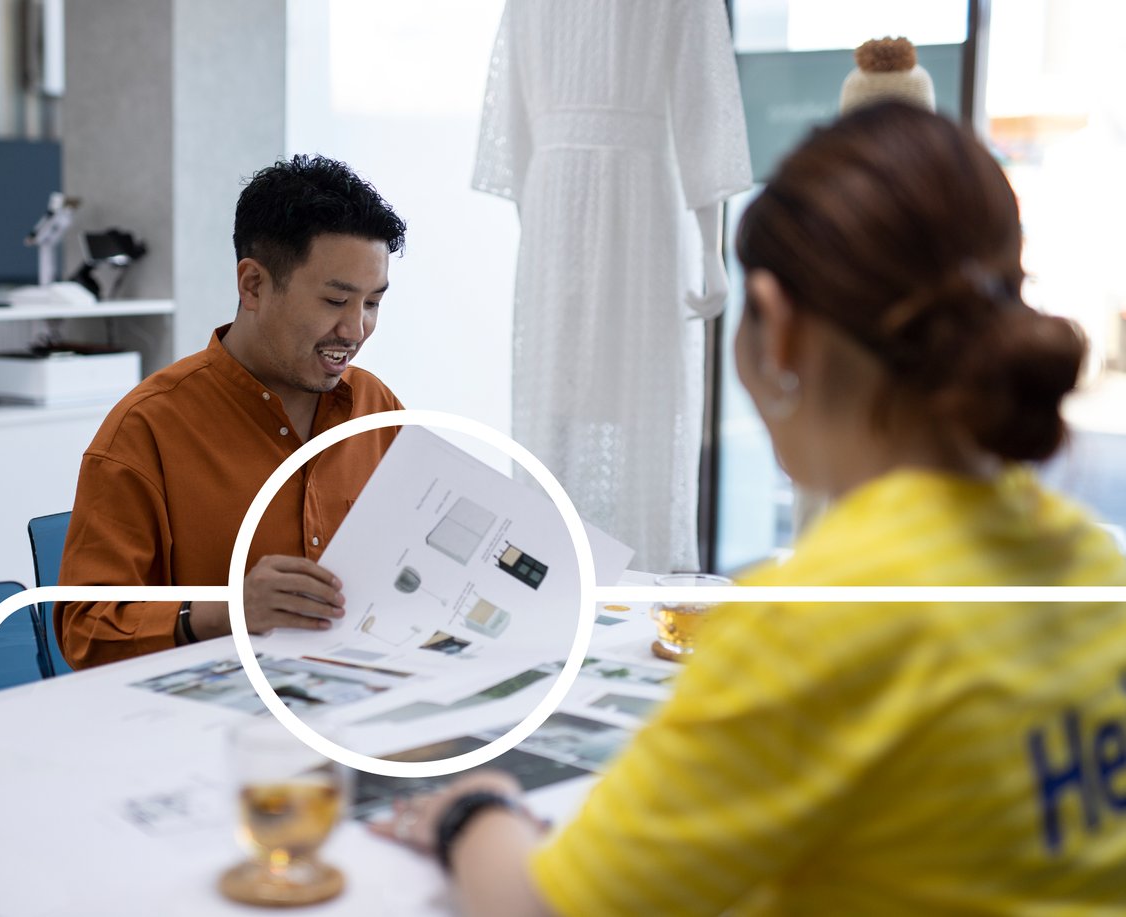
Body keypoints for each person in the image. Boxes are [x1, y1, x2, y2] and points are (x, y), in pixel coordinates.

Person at [372, 103, 1126, 914]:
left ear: (776, 323)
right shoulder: (1094, 564)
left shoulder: (819, 617)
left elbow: (536, 907)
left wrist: (470, 810)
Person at [57, 155, 407, 669]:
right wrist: (226, 611)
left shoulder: (377, 408)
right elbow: (85, 630)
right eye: (335, 301)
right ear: (253, 286)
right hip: (209, 725)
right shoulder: (148, 427)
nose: (355, 331)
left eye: (372, 303)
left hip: (363, 700)